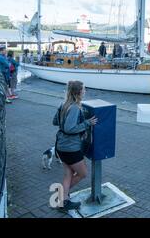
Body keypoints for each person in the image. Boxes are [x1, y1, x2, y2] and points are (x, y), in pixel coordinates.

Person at [52, 81, 98, 211]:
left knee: (68, 174)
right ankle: (62, 198)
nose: (85, 91)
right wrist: (87, 123)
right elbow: (69, 128)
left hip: (61, 146)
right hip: (70, 148)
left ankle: (62, 201)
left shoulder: (64, 104)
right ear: (78, 92)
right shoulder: (74, 108)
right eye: (84, 89)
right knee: (83, 173)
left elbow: (55, 122)